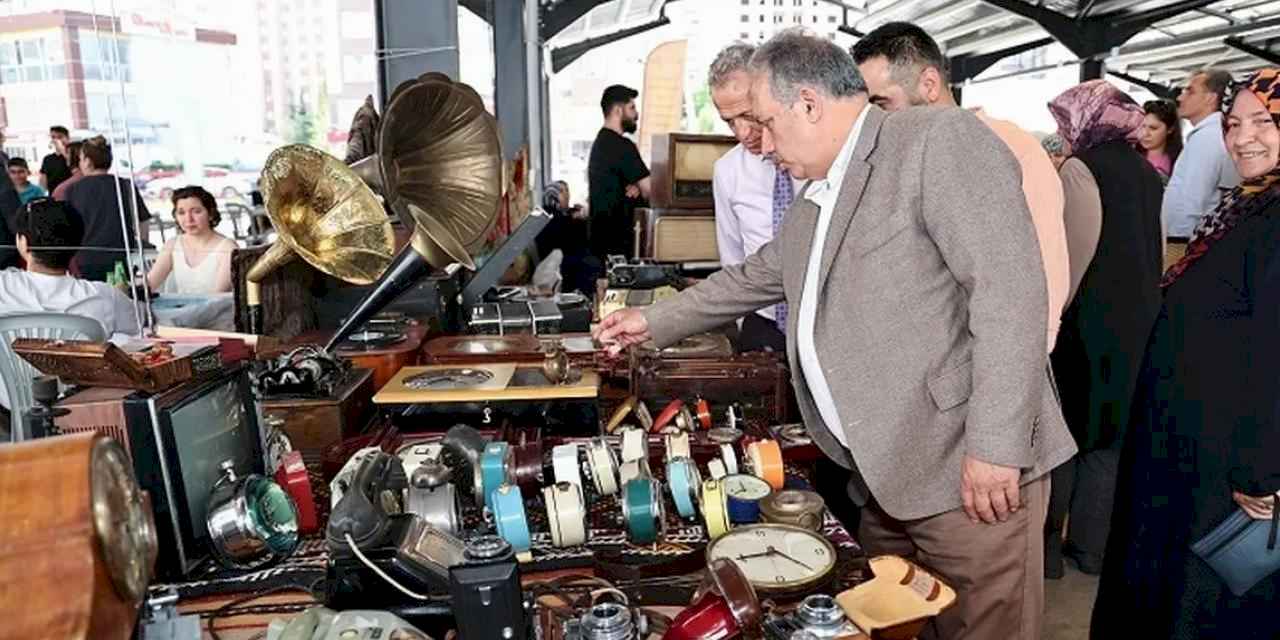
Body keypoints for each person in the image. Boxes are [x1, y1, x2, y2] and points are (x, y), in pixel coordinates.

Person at [595, 30, 1075, 640]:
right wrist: (650, 321)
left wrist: (997, 449)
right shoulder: (821, 190)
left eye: (766, 123)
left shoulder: (935, 141)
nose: (762, 144)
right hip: (884, 478)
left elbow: (1010, 295)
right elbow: (755, 276)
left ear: (808, 103)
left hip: (965, 471)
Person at [1092, 68, 1280, 640]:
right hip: (1189, 442)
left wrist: (1263, 469)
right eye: (1234, 124)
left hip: (1230, 462)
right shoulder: (1251, 204)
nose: (1243, 137)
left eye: (1264, 122)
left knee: (1201, 605)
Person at [851, 22, 1070, 352]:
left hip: (989, 356)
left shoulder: (1012, 147)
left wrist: (1030, 353)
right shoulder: (890, 159)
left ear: (929, 84)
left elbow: (1046, 260)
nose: (876, 121)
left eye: (882, 104)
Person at [1043, 81, 1165, 579]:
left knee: (1066, 437)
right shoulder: (1145, 170)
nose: (1062, 131)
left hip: (1088, 327)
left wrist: (1050, 319)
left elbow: (1071, 257)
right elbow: (1157, 248)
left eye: (1064, 121)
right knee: (1109, 439)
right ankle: (1092, 550)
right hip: (1137, 323)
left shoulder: (1082, 168)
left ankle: (1047, 554)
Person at [0, 199, 141, 409]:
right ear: (77, 244)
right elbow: (141, 335)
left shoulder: (3, 285)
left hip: (9, 406)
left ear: (23, 242)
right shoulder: (104, 296)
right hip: (83, 409)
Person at [707, 42, 797, 353]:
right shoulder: (727, 171)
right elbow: (731, 257)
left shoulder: (813, 158)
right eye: (730, 122)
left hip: (822, 322)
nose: (743, 133)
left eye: (748, 115)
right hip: (763, 323)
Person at [1163, 69, 1240, 268]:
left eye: (1190, 91)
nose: (1180, 97)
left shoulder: (1207, 138)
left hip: (1182, 241)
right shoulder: (1210, 134)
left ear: (1210, 98)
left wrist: (1175, 242)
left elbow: (1191, 198)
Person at [65, 136, 151, 282]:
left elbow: (69, 227)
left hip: (87, 259)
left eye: (80, 159)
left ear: (88, 161)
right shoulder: (125, 185)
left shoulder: (73, 190)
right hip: (123, 256)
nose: (79, 163)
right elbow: (143, 220)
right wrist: (141, 244)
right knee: (122, 293)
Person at [587, 84, 650, 261]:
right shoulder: (622, 146)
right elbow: (650, 190)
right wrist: (641, 187)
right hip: (618, 248)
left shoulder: (602, 142)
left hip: (601, 246)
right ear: (617, 111)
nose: (636, 114)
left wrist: (637, 185)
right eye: (632, 108)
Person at [145, 186, 235, 294]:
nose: (189, 219)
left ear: (211, 214)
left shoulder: (228, 248)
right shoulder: (172, 244)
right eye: (181, 213)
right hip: (182, 305)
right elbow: (150, 284)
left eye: (196, 211)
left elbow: (218, 295)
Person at [1139, 99, 1183, 182]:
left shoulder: (1179, 165)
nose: (1145, 133)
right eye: (1142, 126)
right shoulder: (1128, 152)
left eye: (1153, 128)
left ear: (1170, 129)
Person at [38, 125, 72, 194]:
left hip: (71, 194)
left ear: (68, 138)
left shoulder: (74, 154)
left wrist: (62, 150)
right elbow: (43, 184)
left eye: (60, 137)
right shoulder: (47, 159)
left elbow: (74, 166)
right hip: (54, 196)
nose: (56, 140)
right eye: (53, 137)